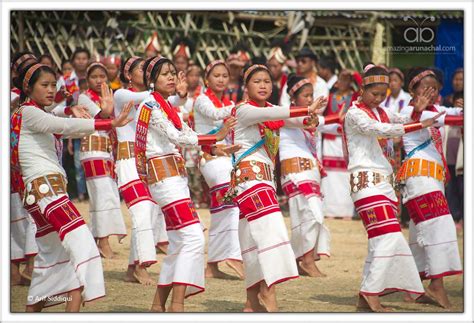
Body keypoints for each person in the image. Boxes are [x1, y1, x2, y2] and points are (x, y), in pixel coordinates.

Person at [12, 62, 132, 311]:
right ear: (28, 87)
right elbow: (63, 126)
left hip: (43, 194)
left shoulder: (35, 116)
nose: (50, 90)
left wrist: (101, 117)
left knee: (58, 260)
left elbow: (68, 129)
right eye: (44, 85)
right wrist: (108, 123)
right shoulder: (28, 113)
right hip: (47, 193)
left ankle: (34, 307)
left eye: (52, 85)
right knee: (83, 245)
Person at [136, 56, 237, 312]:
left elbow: (187, 133)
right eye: (164, 74)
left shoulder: (167, 106)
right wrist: (218, 134)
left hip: (174, 178)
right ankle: (176, 306)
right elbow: (177, 136)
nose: (171, 77)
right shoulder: (150, 105)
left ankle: (158, 305)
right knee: (193, 238)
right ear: (151, 79)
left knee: (180, 241)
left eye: (173, 72)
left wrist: (216, 144)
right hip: (165, 179)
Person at [343, 63, 443, 312]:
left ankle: (365, 296)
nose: (378, 99)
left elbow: (399, 118)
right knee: (388, 237)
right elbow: (380, 130)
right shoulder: (355, 114)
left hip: (383, 182)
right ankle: (371, 293)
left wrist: (416, 111)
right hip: (365, 182)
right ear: (362, 89)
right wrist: (418, 123)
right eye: (374, 94)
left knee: (380, 240)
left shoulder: (380, 111)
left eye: (382, 94)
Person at [229, 64, 328, 312]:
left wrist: (310, 117)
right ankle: (268, 293)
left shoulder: (271, 110)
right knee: (273, 232)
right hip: (250, 179)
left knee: (252, 239)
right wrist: (305, 110)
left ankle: (251, 302)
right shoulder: (243, 111)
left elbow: (295, 120)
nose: (263, 86)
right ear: (246, 86)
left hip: (264, 181)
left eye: (267, 82)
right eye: (257, 81)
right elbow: (283, 115)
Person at [396, 67, 464, 308]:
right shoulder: (406, 110)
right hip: (419, 176)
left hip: (431, 178)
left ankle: (412, 287)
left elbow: (458, 114)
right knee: (439, 226)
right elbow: (446, 119)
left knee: (420, 233)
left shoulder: (438, 109)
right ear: (412, 90)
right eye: (425, 87)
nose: (430, 92)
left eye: (434, 88)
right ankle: (437, 285)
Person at [279, 74, 338, 277]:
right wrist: (334, 117)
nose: (309, 99)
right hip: (295, 172)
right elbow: (308, 120)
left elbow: (330, 125)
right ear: (293, 98)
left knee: (306, 215)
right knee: (310, 213)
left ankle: (301, 258)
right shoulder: (287, 114)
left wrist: (348, 119)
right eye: (305, 96)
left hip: (309, 171)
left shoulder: (308, 116)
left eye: (311, 95)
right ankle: (307, 260)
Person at [113, 56, 163, 285]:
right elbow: (142, 97)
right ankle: (142, 266)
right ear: (128, 74)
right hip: (127, 160)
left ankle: (132, 267)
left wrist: (179, 95)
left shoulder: (152, 99)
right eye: (142, 68)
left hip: (145, 160)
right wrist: (164, 87)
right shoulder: (122, 94)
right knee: (143, 210)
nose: (146, 71)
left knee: (149, 212)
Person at [194, 60, 244, 279]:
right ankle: (232, 255)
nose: (222, 79)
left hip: (226, 157)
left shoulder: (229, 101)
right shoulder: (202, 100)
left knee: (224, 206)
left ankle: (212, 266)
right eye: (217, 75)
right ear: (207, 79)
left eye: (225, 75)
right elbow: (215, 114)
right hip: (210, 157)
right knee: (231, 203)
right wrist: (241, 106)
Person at [78, 62, 127, 258]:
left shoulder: (110, 96)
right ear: (87, 80)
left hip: (106, 151)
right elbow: (102, 117)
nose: (99, 80)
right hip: (91, 150)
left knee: (108, 194)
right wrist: (108, 107)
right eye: (94, 77)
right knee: (102, 195)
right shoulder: (84, 97)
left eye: (102, 76)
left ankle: (100, 240)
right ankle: (102, 242)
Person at [10, 52, 39, 286]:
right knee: (19, 218)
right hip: (15, 166)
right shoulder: (13, 101)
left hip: (27, 165)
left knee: (26, 216)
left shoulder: (35, 104)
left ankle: (25, 269)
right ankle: (21, 270)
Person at [321, 70, 359, 219]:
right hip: (331, 139)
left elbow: (365, 88)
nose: (343, 82)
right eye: (341, 79)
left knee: (345, 176)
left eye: (347, 79)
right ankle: (330, 210)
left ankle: (346, 211)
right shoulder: (330, 97)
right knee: (330, 176)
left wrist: (355, 74)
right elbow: (323, 117)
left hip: (346, 140)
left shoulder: (355, 97)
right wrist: (336, 119)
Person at [266, 39, 291, 105]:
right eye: (270, 66)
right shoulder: (266, 80)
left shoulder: (288, 81)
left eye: (275, 66)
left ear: (282, 65)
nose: (272, 69)